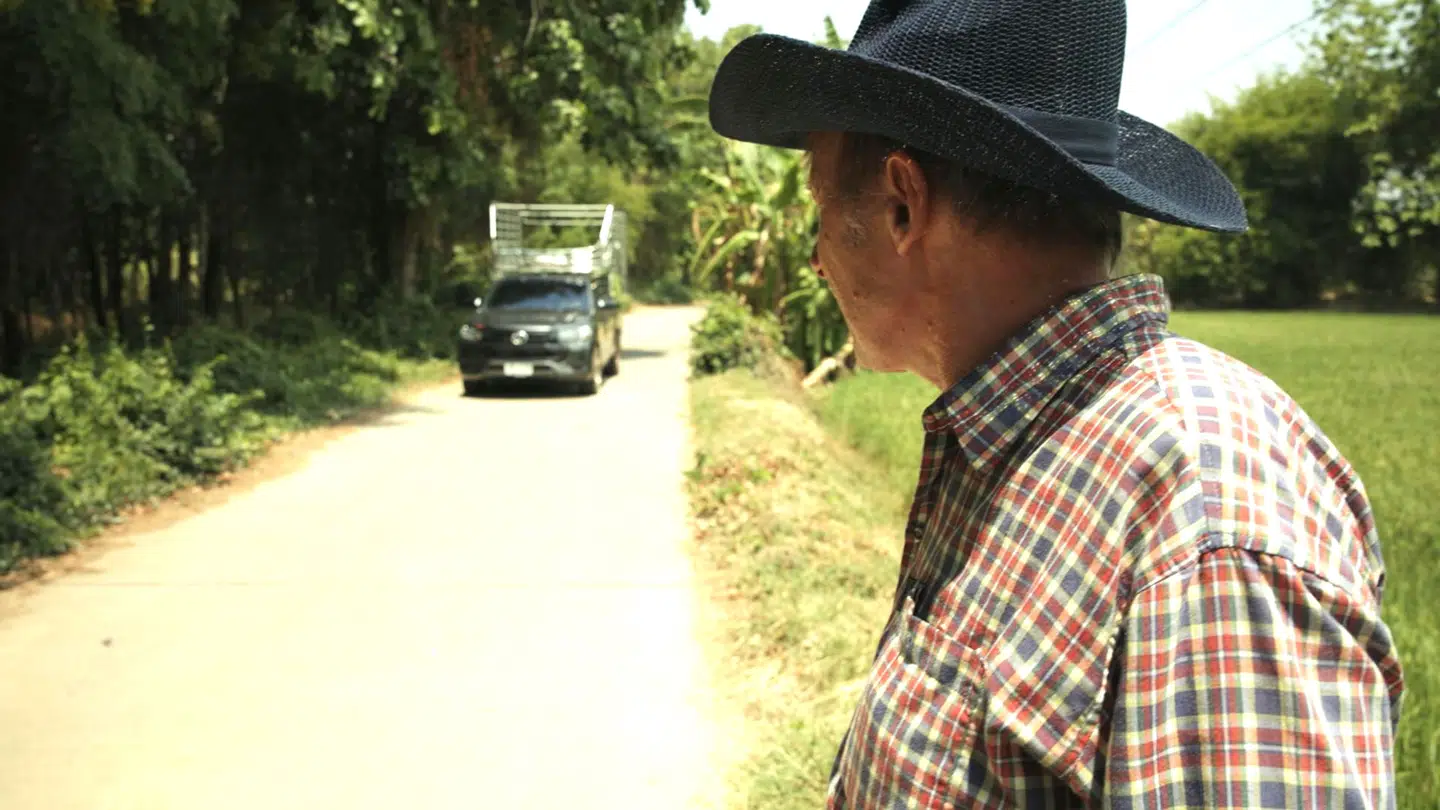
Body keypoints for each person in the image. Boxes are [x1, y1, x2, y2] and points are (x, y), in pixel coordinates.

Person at [706, 1, 1404, 807]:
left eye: (823, 208)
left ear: (902, 204)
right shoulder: (1016, 439)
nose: (817, 259)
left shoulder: (1204, 518)